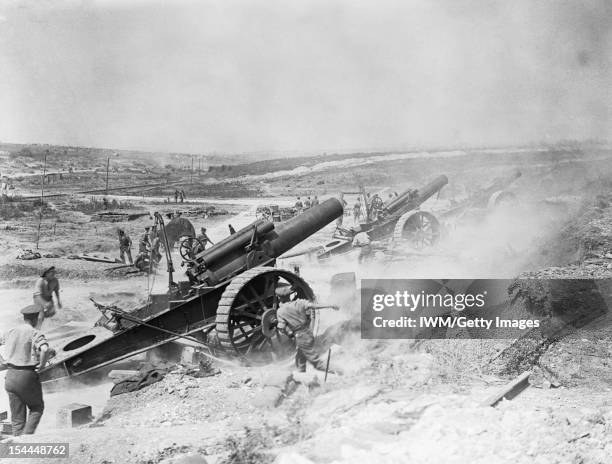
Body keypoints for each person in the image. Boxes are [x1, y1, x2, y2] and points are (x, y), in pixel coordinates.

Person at [0, 305, 53, 436]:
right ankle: (27, 438)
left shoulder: (11, 331)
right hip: (26, 375)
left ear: (24, 318)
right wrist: (42, 364)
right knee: (37, 407)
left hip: (10, 376)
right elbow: (45, 349)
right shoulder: (35, 332)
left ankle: (18, 445)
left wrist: (1, 361)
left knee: (17, 419)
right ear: (37, 318)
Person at [274, 287, 339, 373]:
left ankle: (340, 371)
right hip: (308, 333)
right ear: (290, 296)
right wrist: (331, 305)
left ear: (279, 297)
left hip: (300, 337)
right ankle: (301, 374)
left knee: (316, 363)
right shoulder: (300, 303)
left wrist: (287, 332)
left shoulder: (281, 311)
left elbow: (281, 328)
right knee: (300, 358)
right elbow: (313, 306)